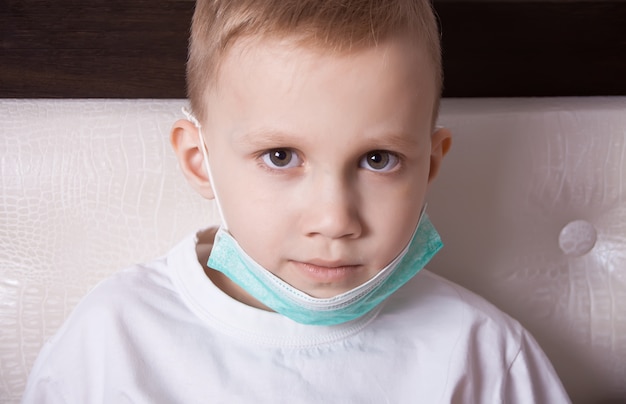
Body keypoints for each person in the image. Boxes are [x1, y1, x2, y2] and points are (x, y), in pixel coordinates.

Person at [22, 0, 571, 402]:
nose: (334, 220)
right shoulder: (114, 337)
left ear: (430, 164)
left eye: (378, 160)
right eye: (281, 156)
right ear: (198, 159)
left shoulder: (482, 356)